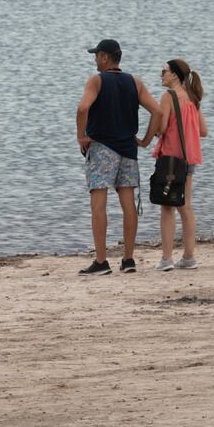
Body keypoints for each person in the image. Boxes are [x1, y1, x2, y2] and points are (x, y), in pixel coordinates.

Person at [75, 38, 162, 276]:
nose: (94, 59)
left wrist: (81, 136)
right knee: (128, 205)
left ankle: (102, 261)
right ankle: (128, 259)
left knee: (98, 205)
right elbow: (157, 111)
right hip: (128, 150)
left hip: (102, 148)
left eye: (97, 55)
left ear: (105, 57)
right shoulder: (135, 82)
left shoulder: (97, 80)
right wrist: (144, 140)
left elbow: (83, 108)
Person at [139, 58, 208, 271]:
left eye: (164, 71)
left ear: (175, 75)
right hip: (188, 159)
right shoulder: (193, 98)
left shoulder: (168, 97)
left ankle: (166, 259)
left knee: (167, 206)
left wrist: (148, 136)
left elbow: (162, 128)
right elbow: (203, 131)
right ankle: (189, 257)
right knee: (185, 207)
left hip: (169, 158)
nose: (161, 75)